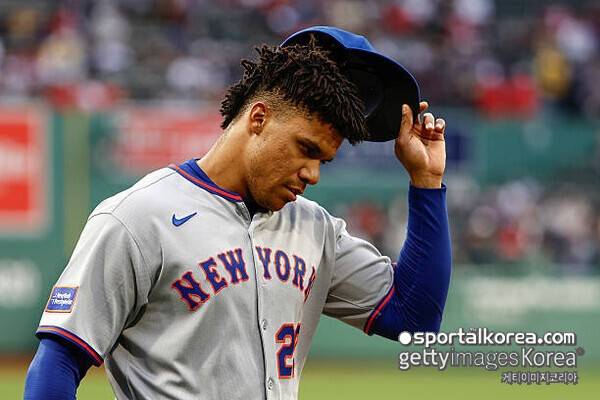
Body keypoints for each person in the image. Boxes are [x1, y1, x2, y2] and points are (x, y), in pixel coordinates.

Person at [24, 26, 451, 399]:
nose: (313, 174)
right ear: (259, 118)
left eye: (323, 160)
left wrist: (427, 182)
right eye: (306, 149)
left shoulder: (314, 227)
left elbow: (414, 317)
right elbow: (58, 362)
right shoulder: (137, 217)